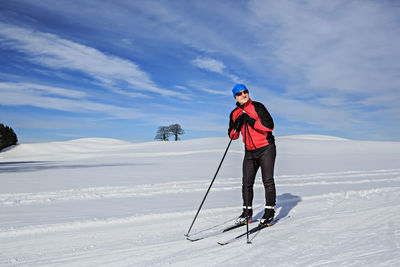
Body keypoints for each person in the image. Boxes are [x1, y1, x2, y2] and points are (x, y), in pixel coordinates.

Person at [228, 84, 277, 226]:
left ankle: (269, 212)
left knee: (267, 180)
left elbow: (269, 126)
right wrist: (237, 124)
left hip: (266, 148)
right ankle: (247, 212)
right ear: (235, 97)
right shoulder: (234, 113)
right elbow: (233, 136)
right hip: (249, 151)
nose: (244, 95)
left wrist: (249, 120)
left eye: (246, 92)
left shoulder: (257, 106)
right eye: (240, 93)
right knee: (246, 183)